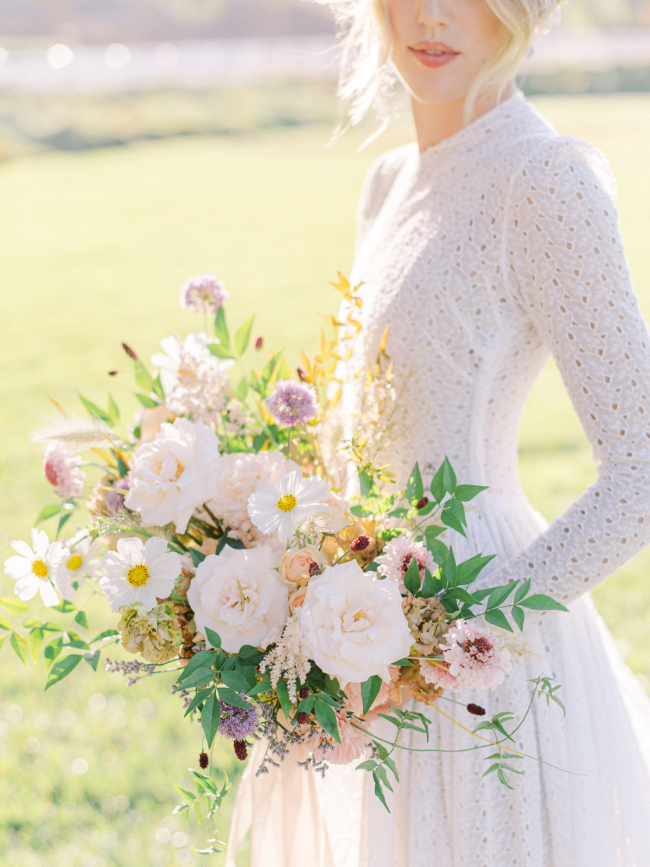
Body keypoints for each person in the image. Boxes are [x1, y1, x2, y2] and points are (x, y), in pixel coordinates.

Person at [226, 2, 650, 864]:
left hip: (483, 654)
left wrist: (456, 636)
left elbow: (641, 468)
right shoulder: (387, 182)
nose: (430, 14)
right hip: (356, 638)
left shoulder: (546, 179)